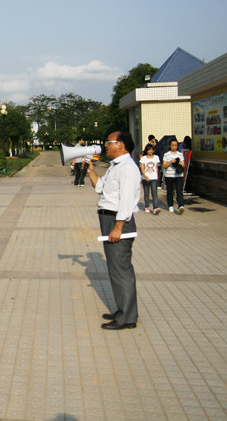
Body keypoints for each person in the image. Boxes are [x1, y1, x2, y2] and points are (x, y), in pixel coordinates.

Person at [86, 131, 140, 330]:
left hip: (118, 222)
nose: (105, 145)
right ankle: (122, 309)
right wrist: (91, 172)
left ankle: (128, 318)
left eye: (109, 142)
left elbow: (126, 201)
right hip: (110, 219)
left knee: (121, 270)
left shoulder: (128, 168)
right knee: (115, 269)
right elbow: (101, 189)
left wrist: (118, 227)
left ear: (121, 145)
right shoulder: (115, 166)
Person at [162, 137, 186, 214]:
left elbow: (183, 164)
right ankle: (170, 205)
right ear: (170, 146)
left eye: (175, 145)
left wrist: (179, 163)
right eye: (172, 145)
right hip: (169, 175)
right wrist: (170, 162)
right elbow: (164, 166)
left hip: (178, 175)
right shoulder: (166, 154)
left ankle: (181, 205)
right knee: (170, 191)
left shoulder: (180, 154)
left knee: (179, 191)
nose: (174, 147)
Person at [139, 144, 162, 214]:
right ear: (146, 150)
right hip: (145, 178)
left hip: (154, 177)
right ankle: (147, 206)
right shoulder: (143, 158)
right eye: (149, 149)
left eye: (152, 149)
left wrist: (157, 175)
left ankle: (155, 207)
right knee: (146, 193)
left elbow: (157, 167)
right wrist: (145, 176)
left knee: (154, 193)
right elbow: (142, 168)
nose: (150, 151)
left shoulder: (156, 157)